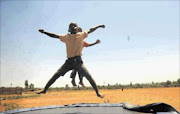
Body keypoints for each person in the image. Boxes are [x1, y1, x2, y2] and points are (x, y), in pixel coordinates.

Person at [37, 22, 105, 98]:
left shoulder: (81, 35)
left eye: (75, 28)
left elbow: (91, 30)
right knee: (56, 75)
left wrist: (99, 26)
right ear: (69, 30)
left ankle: (97, 92)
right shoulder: (66, 37)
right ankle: (45, 90)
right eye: (72, 28)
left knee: (88, 75)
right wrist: (44, 32)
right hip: (69, 62)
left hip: (78, 61)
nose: (74, 30)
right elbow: (54, 35)